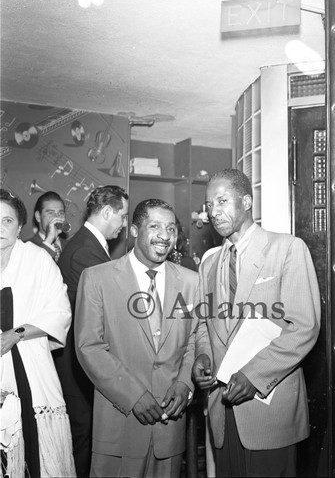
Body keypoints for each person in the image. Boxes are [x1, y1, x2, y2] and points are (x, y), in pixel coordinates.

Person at [192, 169, 321, 478]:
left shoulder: (287, 248)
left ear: (247, 201)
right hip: (222, 414)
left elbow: (304, 327)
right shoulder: (209, 262)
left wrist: (254, 376)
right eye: (209, 204)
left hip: (268, 410)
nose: (214, 211)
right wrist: (203, 357)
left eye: (223, 200)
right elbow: (203, 326)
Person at [75, 198, 199, 478]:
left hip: (170, 431)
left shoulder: (192, 282)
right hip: (118, 429)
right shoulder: (97, 278)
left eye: (171, 228)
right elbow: (89, 347)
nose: (165, 236)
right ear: (133, 230)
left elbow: (194, 339)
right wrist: (134, 396)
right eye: (154, 226)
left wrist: (184, 384)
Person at [54, 184, 129, 478]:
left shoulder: (87, 244)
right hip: (78, 360)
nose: (124, 224)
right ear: (107, 212)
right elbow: (113, 306)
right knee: (83, 435)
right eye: (122, 216)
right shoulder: (87, 251)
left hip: (76, 356)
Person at [0, 189, 76, 477]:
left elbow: (59, 311)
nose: (0, 228)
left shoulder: (38, 260)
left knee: (36, 452)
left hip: (30, 367)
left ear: (20, 226)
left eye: (7, 221)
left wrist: (16, 333)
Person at [27, 190, 68, 262]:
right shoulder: (26, 247)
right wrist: (49, 239)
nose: (56, 218)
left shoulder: (71, 246)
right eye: (50, 213)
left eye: (61, 213)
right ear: (38, 216)